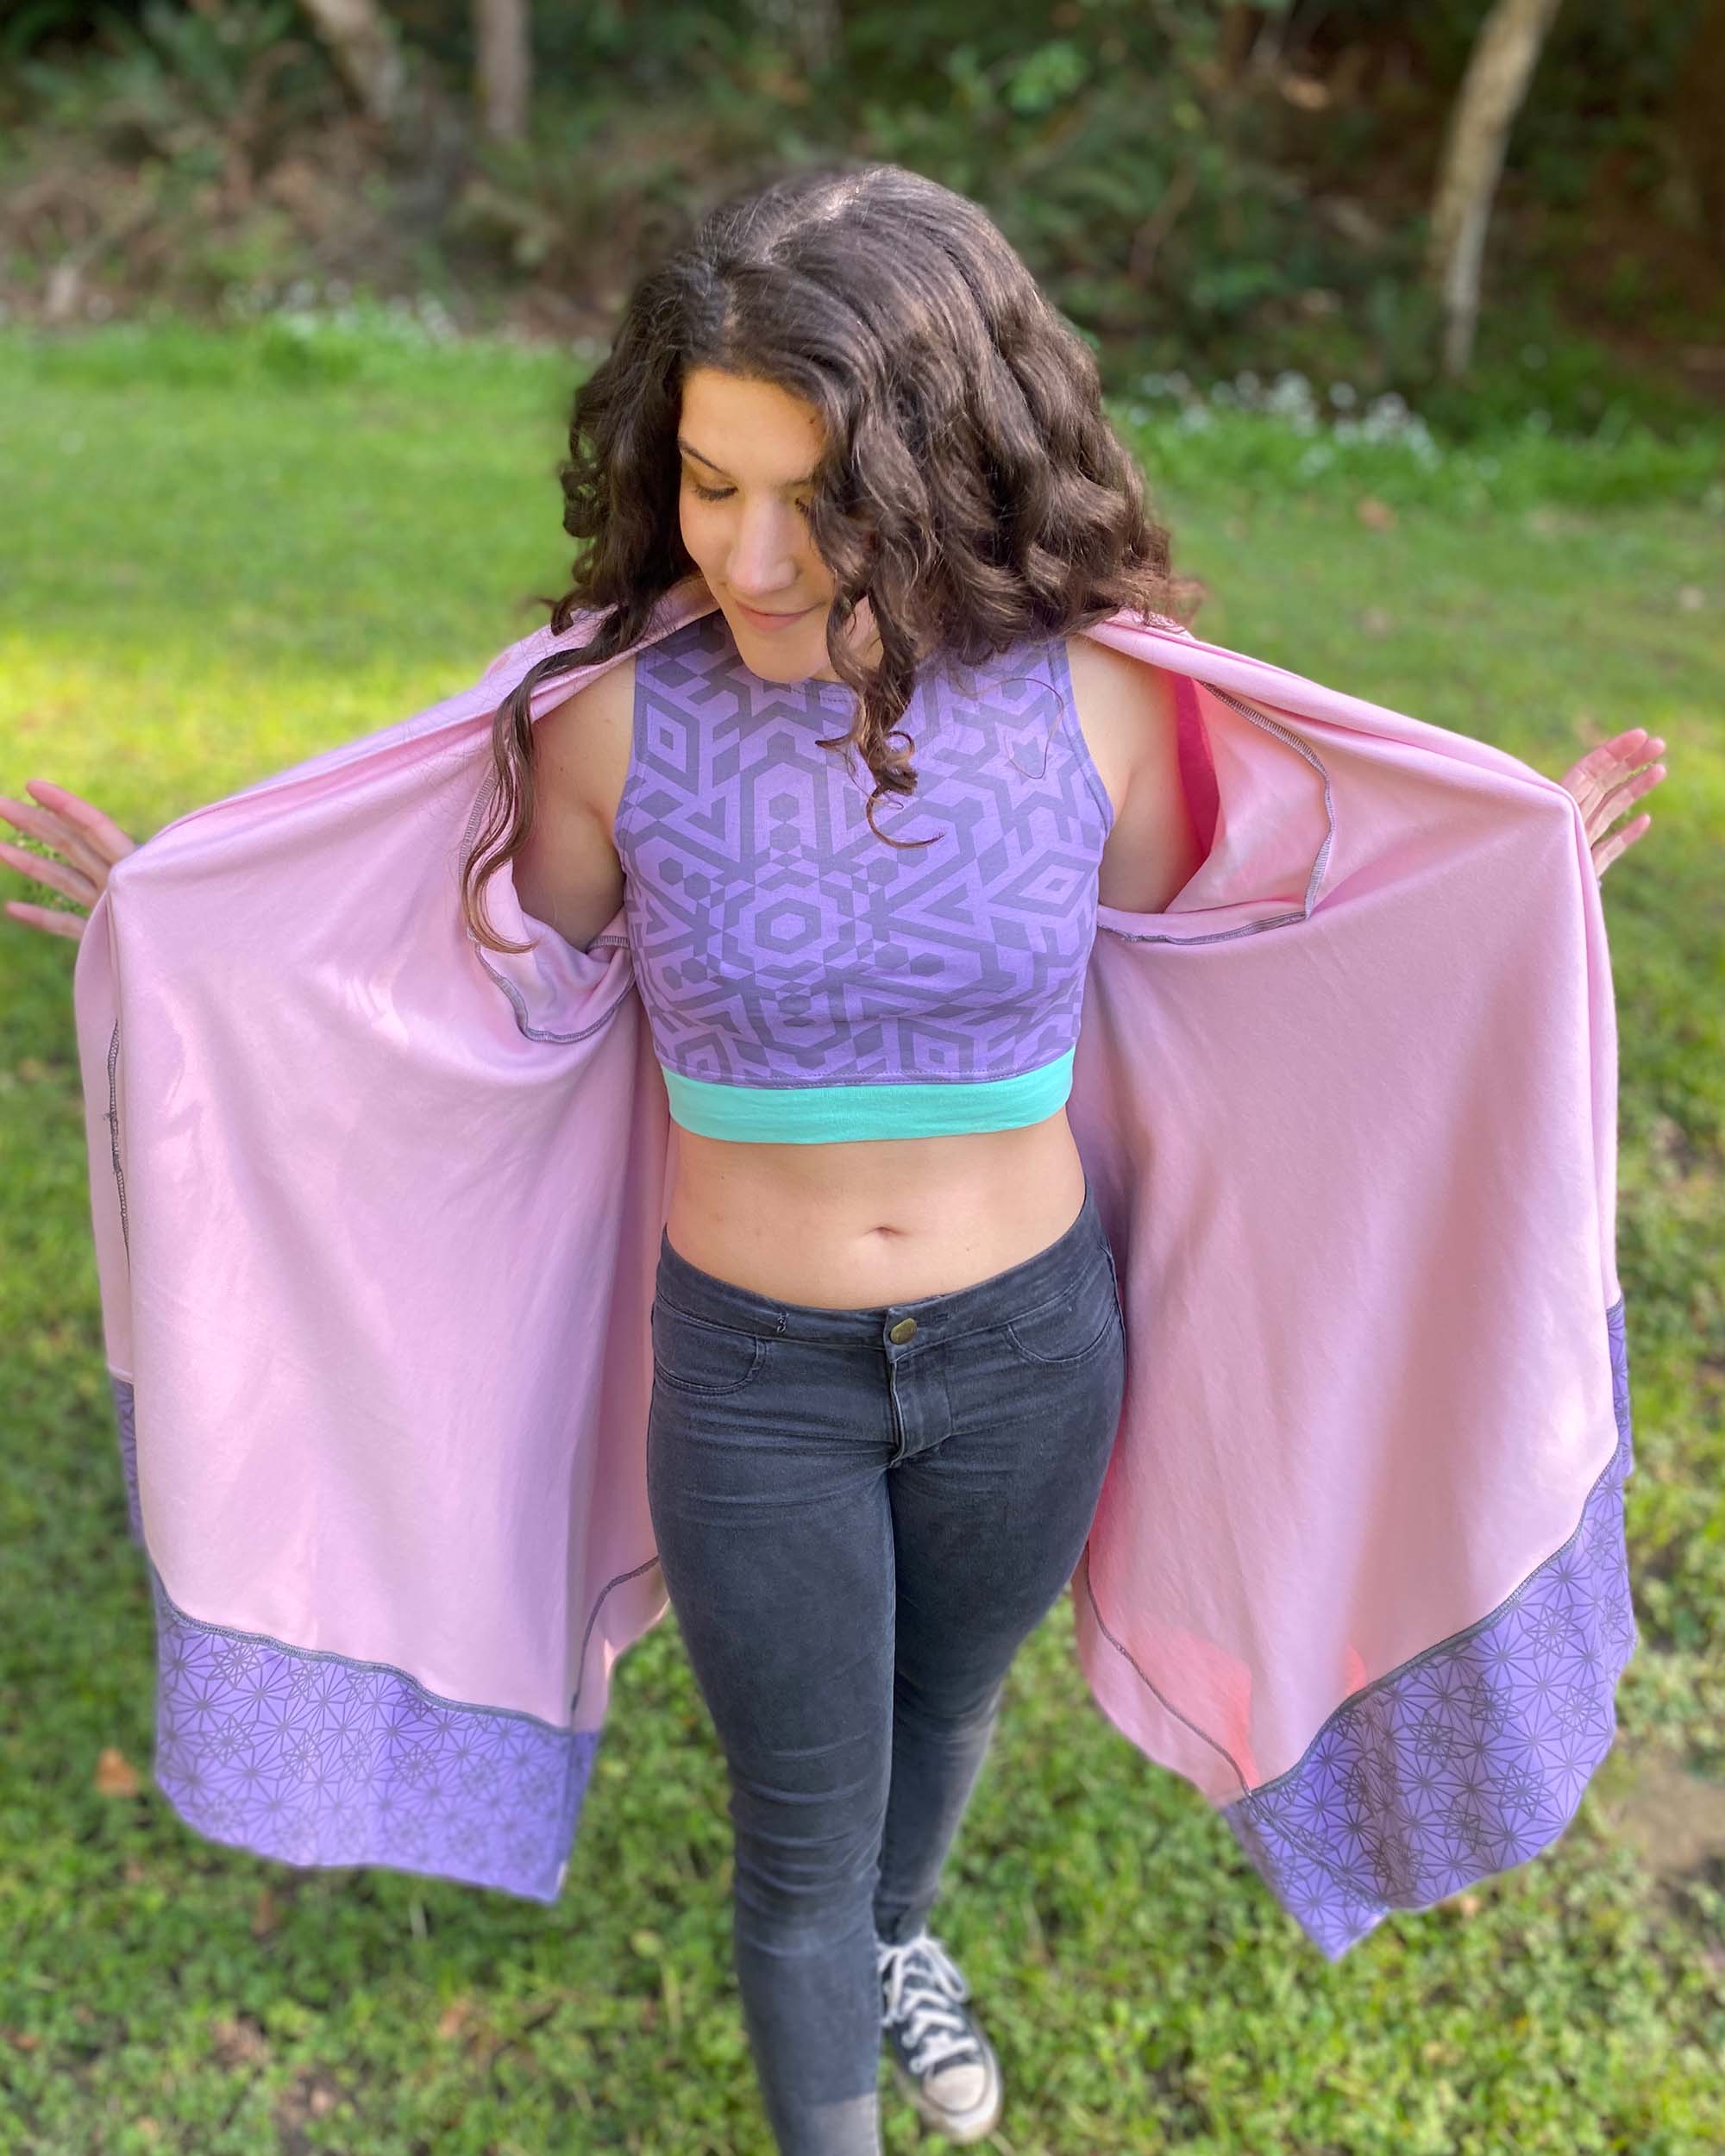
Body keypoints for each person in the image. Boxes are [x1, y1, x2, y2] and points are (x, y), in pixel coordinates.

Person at [2, 163, 1668, 2156]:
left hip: (1034, 1352)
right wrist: (210, 943)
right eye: (712, 485)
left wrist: (1491, 906)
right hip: (755, 1379)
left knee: (941, 1715)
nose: (755, 556)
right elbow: (484, 1001)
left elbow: (1232, 975)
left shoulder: (1102, 705)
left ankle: (905, 1929)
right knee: (794, 1830)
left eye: (817, 498)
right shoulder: (612, 729)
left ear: (954, 468)